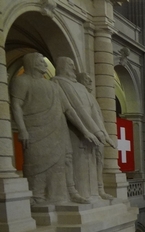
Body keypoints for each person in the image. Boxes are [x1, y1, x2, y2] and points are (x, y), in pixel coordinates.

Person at [10, 52, 100, 205]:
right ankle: (38, 196)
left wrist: (85, 131)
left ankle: (68, 193)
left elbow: (69, 110)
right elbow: (16, 105)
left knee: (65, 161)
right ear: (32, 63)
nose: (45, 64)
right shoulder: (22, 81)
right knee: (36, 162)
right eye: (41, 61)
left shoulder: (53, 85)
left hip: (58, 129)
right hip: (35, 129)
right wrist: (22, 129)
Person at [52, 57, 117, 200]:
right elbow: (75, 108)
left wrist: (103, 133)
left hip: (91, 133)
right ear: (62, 66)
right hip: (74, 132)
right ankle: (81, 194)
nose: (74, 68)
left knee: (91, 163)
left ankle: (95, 193)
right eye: (70, 65)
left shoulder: (81, 88)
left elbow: (94, 113)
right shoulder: (58, 82)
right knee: (78, 163)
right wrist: (93, 131)